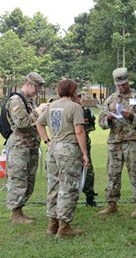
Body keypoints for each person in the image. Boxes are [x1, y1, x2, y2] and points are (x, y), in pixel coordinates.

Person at [36, 79, 89, 237]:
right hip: (68, 150)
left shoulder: (52, 106)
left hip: (53, 150)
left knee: (53, 186)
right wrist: (85, 153)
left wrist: (47, 141)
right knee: (68, 187)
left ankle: (52, 224)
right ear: (73, 90)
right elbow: (79, 131)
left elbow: (39, 123)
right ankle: (64, 226)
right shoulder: (75, 107)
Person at [97, 67, 136, 218]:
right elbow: (100, 122)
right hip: (115, 142)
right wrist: (108, 119)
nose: (122, 87)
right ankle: (112, 204)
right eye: (119, 84)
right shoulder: (110, 100)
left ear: (128, 81)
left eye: (124, 84)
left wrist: (131, 116)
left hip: (133, 141)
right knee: (112, 174)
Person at [5, 72, 49, 225]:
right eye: (36, 88)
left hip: (30, 146)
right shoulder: (16, 100)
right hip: (19, 147)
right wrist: (39, 110)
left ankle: (20, 212)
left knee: (29, 180)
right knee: (19, 179)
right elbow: (22, 123)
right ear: (28, 84)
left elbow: (36, 120)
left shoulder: (29, 100)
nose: (38, 91)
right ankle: (16, 215)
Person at [75, 93, 99, 207]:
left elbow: (90, 127)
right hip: (72, 145)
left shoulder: (87, 112)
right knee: (72, 173)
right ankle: (70, 200)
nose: (79, 100)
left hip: (85, 145)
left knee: (88, 172)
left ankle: (90, 199)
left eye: (80, 98)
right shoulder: (69, 110)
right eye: (77, 97)